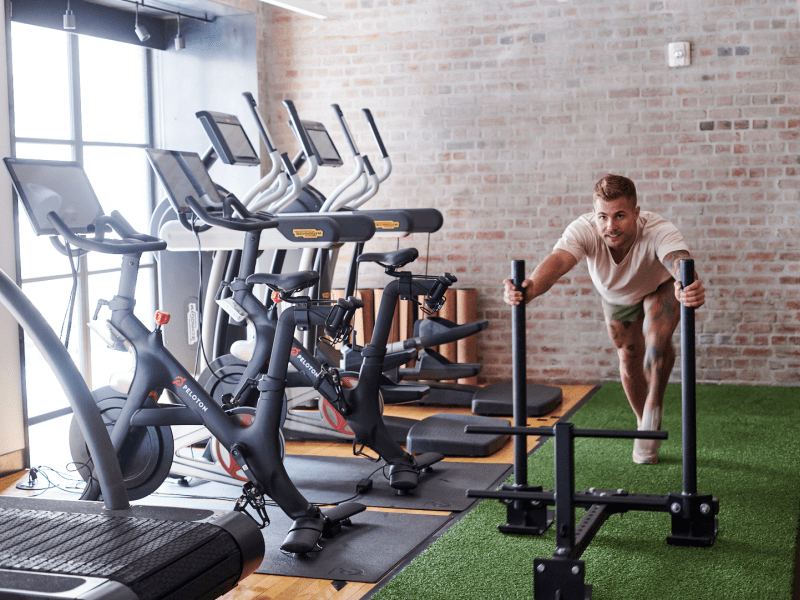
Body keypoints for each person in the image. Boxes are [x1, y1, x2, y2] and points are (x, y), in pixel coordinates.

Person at [502, 174, 705, 464]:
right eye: (603, 216)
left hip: (660, 286)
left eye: (620, 216)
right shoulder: (585, 229)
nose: (610, 226)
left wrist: (690, 285)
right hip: (617, 296)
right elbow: (558, 261)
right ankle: (642, 422)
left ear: (636, 213)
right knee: (628, 357)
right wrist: (530, 288)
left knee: (657, 338)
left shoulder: (659, 229)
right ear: (595, 214)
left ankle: (654, 402)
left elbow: (679, 261)